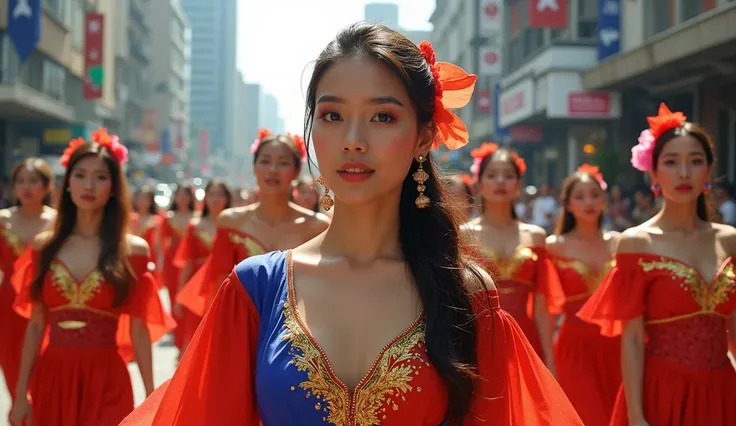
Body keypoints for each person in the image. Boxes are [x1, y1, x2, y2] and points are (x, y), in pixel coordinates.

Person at [121, 23, 581, 426]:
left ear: (423, 136)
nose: (353, 141)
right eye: (332, 116)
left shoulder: (465, 294)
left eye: (383, 116)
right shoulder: (255, 290)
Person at [578, 104, 736, 426]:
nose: (683, 173)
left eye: (695, 162)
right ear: (653, 172)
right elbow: (633, 339)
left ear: (708, 170)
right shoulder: (636, 243)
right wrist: (636, 416)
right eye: (671, 162)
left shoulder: (730, 239)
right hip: (661, 392)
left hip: (723, 390)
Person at [8, 130, 175, 426]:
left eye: (100, 177)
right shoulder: (44, 246)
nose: (89, 185)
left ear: (113, 187)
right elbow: (35, 326)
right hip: (52, 377)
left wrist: (151, 399)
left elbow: (138, 332)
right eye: (80, 175)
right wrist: (20, 396)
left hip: (108, 378)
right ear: (67, 184)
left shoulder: (133, 251)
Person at [175, 129, 330, 317]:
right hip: (241, 327)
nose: (272, 169)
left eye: (283, 163)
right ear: (254, 167)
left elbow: (323, 292)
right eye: (265, 161)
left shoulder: (317, 227)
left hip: (297, 333)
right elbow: (219, 285)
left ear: (296, 170)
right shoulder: (231, 222)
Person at [464, 142, 564, 371]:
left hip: (527, 340)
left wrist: (550, 362)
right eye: (492, 175)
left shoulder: (536, 237)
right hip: (478, 341)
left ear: (518, 184)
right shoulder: (463, 235)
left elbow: (541, 309)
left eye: (508, 176)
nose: (500, 181)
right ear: (479, 183)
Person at [546, 164, 621, 426]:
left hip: (618, 345)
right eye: (580, 196)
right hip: (573, 345)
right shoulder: (554, 246)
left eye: (594, 194)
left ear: (604, 199)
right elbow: (546, 306)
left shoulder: (621, 243)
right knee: (584, 415)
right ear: (567, 204)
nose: (588, 202)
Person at [0, 158, 56, 408]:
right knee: (14, 373)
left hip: (47, 305)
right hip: (7, 306)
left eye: (33, 181)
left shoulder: (58, 222)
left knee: (45, 375)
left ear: (46, 186)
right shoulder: (2, 220)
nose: (26, 187)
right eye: (20, 181)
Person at [172, 179, 232, 354]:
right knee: (193, 337)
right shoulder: (195, 225)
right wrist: (180, 294)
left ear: (227, 199)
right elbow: (187, 261)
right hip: (198, 288)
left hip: (226, 285)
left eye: (220, 195)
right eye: (211, 194)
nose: (215, 199)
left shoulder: (235, 226)